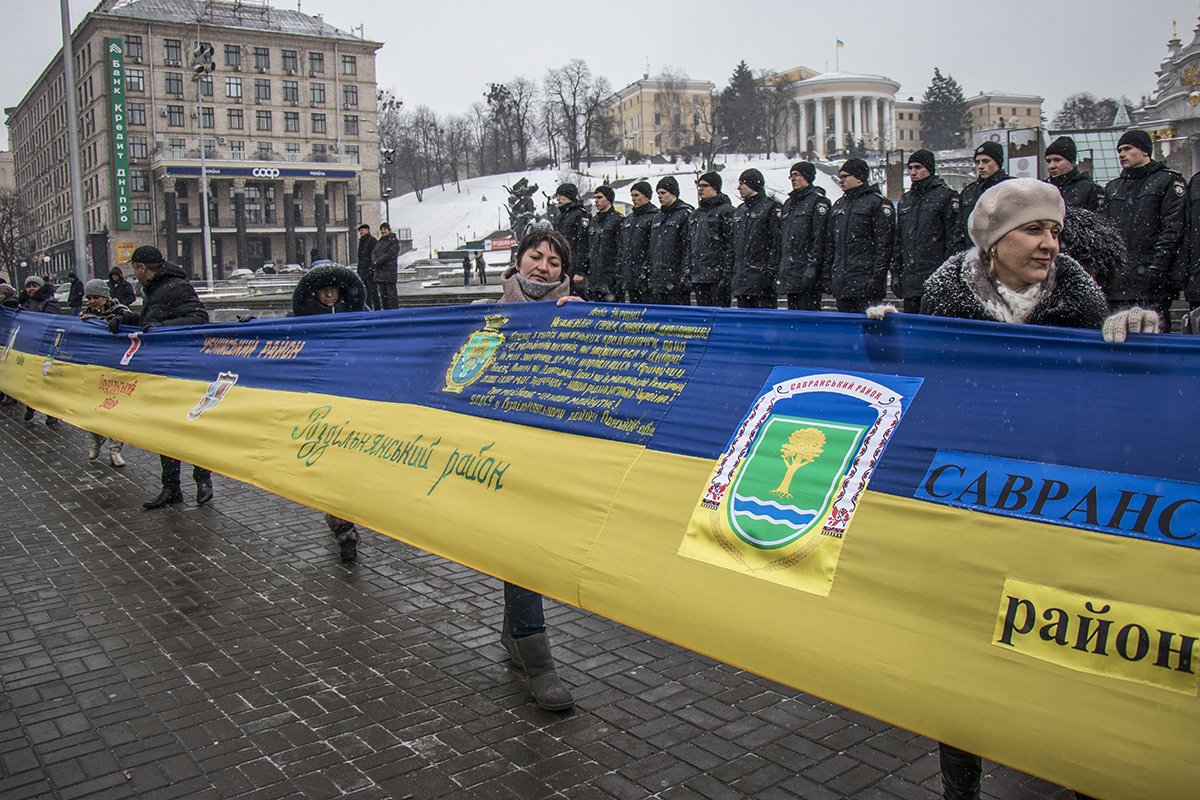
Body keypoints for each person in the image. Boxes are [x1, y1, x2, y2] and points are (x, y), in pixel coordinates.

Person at [897, 178, 1153, 800]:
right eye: (1033, 230)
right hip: (970, 497)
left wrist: (1140, 338)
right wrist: (886, 341)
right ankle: (961, 783)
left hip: (1052, 498)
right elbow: (925, 386)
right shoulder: (945, 298)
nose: (1049, 244)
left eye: (1056, 232)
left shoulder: (1081, 303)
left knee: (1067, 643)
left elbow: (1111, 398)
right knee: (965, 649)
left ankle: (1083, 771)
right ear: (993, 241)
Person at [479, 228, 581, 711]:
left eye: (554, 262)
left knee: (529, 546)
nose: (543, 267)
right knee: (522, 545)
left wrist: (584, 325)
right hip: (501, 447)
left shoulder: (577, 313)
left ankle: (516, 634)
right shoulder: (489, 315)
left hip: (553, 451)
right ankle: (537, 657)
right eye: (535, 256)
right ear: (518, 261)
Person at [108, 246, 213, 509]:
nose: (135, 274)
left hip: (185, 370)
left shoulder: (176, 286)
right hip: (165, 370)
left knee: (191, 429)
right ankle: (171, 487)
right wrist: (127, 320)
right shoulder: (156, 288)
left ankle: (203, 481)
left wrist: (161, 329)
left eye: (135, 269)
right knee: (165, 430)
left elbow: (199, 318)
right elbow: (152, 320)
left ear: (142, 267)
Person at [291, 263, 369, 561]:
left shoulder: (362, 316)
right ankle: (343, 528)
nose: (327, 295)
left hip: (354, 403)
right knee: (332, 469)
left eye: (332, 289)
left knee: (349, 468)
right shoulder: (300, 321)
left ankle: (345, 518)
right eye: (322, 290)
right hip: (321, 407)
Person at [1103, 129, 1185, 326]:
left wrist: (1157, 267)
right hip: (1118, 282)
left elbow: (1172, 228)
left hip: (1152, 280)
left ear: (1145, 151)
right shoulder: (1113, 187)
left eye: (1127, 149)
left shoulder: (1168, 181)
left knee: (1151, 334)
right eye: (1119, 150)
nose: (1121, 154)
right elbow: (1105, 232)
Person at [891, 150, 961, 313]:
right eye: (910, 168)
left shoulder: (945, 197)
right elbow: (899, 240)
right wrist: (896, 272)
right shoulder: (906, 200)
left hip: (934, 279)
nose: (913, 172)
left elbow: (953, 240)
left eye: (918, 167)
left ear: (929, 169)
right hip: (910, 281)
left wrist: (947, 275)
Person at [826, 159, 894, 313]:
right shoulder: (839, 205)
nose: (841, 181)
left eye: (845, 176)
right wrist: (830, 275)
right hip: (843, 284)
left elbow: (884, 244)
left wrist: (877, 277)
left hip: (866, 282)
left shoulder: (877, 203)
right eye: (840, 177)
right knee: (846, 326)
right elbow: (831, 244)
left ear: (859, 177)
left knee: (870, 325)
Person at [79, 280, 129, 467]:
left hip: (115, 367)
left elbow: (132, 327)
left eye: (96, 297)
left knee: (116, 410)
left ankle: (115, 449)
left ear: (105, 297)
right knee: (95, 408)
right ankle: (96, 439)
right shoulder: (85, 316)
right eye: (89, 297)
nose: (92, 301)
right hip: (95, 367)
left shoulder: (120, 311)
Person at [778, 162, 831, 312]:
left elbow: (819, 238)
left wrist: (813, 267)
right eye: (791, 176)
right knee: (793, 317)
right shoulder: (789, 204)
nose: (793, 179)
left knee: (808, 314)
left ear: (807, 176)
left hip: (806, 271)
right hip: (791, 272)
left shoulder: (817, 201)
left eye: (797, 175)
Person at [730, 168, 782, 309]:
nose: (739, 188)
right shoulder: (739, 211)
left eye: (742, 183)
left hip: (762, 281)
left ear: (752, 184)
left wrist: (770, 272)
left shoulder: (770, 207)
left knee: (764, 319)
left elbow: (776, 243)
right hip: (742, 281)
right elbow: (733, 245)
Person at [18, 276, 62, 427]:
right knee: (30, 380)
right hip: (29, 347)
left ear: (41, 287)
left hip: (45, 347)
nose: (31, 289)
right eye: (28, 286)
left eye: (34, 286)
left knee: (46, 381)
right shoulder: (25, 303)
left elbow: (52, 321)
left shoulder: (50, 302)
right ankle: (30, 406)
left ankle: (51, 413)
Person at [688, 171, 734, 307]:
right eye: (699, 186)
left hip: (717, 276)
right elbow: (689, 245)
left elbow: (731, 245)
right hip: (699, 276)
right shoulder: (696, 214)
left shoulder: (726, 211)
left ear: (715, 188)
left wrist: (726, 274)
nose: (700, 189)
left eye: (705, 185)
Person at [647, 176, 693, 305]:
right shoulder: (657, 217)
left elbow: (687, 246)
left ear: (673, 193)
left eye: (663, 192)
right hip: (658, 279)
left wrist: (684, 274)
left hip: (675, 279)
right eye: (658, 193)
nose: (659, 196)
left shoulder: (684, 214)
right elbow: (652, 248)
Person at [958, 141, 1011, 247]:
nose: (980, 166)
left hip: (1003, 251)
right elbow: (959, 230)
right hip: (972, 252)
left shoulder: (1011, 187)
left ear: (998, 162)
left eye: (986, 161)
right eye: (977, 162)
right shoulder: (969, 192)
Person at [618, 181, 657, 303]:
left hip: (646, 276)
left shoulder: (654, 217)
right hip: (630, 275)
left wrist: (646, 269)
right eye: (632, 196)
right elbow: (622, 246)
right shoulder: (629, 219)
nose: (633, 199)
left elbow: (654, 247)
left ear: (647, 196)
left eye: (636, 195)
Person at [1044, 136, 1104, 211]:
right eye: (1048, 161)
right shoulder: (1041, 187)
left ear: (1071, 162)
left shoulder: (1089, 189)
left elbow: (1097, 216)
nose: (1051, 166)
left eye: (1057, 160)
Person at [586, 186, 624, 302]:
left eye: (599, 197)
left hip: (610, 278)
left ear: (608, 199)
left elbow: (621, 250)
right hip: (594, 278)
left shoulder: (618, 220)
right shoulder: (594, 220)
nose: (596, 200)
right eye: (595, 198)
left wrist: (617, 276)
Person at [553, 183, 590, 293]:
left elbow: (583, 243)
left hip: (573, 265)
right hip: (561, 263)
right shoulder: (560, 215)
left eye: (561, 195)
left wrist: (580, 271)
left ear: (569, 196)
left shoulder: (580, 214)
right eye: (557, 195)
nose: (558, 199)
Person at [372, 222, 400, 310]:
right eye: (382, 229)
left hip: (389, 273)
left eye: (385, 229)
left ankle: (393, 313)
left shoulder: (393, 241)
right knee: (383, 297)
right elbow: (374, 253)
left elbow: (391, 254)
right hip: (380, 274)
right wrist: (375, 261)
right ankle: (386, 312)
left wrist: (378, 261)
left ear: (389, 230)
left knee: (391, 296)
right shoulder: (380, 242)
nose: (383, 231)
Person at [356, 223, 378, 310]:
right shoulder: (362, 241)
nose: (361, 232)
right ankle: (368, 308)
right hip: (363, 270)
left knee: (371, 292)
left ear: (368, 230)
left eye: (362, 230)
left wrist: (371, 268)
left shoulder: (372, 241)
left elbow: (373, 256)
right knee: (365, 292)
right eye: (360, 231)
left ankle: (373, 308)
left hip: (369, 271)